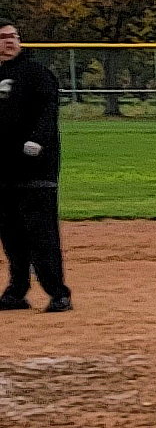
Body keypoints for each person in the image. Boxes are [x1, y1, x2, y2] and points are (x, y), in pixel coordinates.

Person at [0, 25, 70, 313]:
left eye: (13, 37)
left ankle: (58, 293)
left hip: (35, 168)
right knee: (11, 235)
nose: (9, 42)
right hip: (3, 170)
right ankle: (17, 292)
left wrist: (37, 140)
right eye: (3, 38)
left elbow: (48, 113)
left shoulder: (37, 73)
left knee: (41, 234)